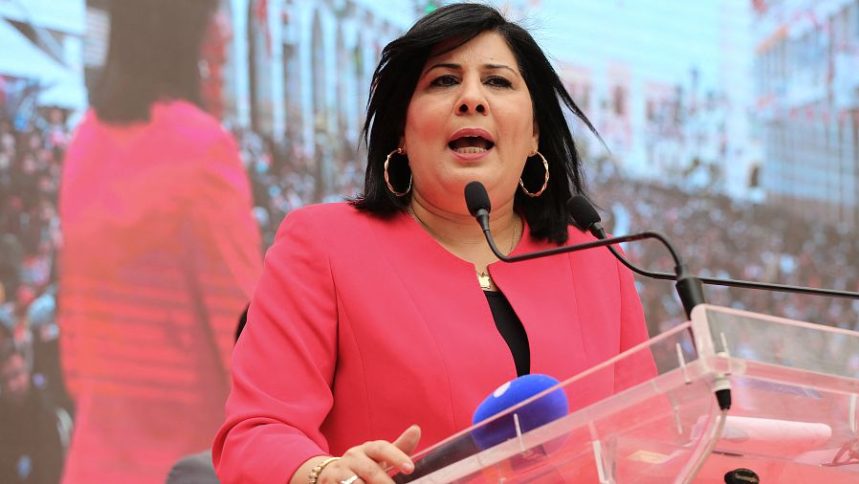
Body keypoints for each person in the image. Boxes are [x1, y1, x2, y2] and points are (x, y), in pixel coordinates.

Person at [213, 4, 651, 484]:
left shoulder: (596, 260)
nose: (471, 99)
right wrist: (327, 474)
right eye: (444, 81)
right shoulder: (323, 246)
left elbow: (647, 439)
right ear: (401, 130)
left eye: (498, 81)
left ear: (534, 134)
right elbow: (256, 434)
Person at [58, 0, 262, 482]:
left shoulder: (85, 139)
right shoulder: (202, 148)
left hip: (96, 463)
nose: (224, 31)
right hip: (189, 462)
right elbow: (248, 347)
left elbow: (75, 350)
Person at [0, 342, 64, 484]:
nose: (12, 386)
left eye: (16, 375)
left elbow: (53, 469)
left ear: (27, 372)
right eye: (4, 380)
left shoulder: (46, 413)